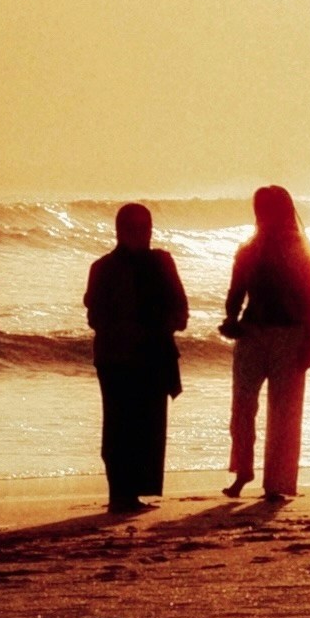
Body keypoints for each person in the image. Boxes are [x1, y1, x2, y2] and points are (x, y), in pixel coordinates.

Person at [219, 182, 310, 502]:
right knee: (243, 406)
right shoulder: (249, 250)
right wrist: (232, 319)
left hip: (290, 335)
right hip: (253, 332)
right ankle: (243, 470)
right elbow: (236, 292)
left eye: (265, 209)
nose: (261, 215)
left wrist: (309, 342)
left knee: (284, 411)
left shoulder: (303, 252)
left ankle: (277, 482)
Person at [84, 202, 188, 513]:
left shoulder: (109, 267)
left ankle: (126, 494)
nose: (143, 235)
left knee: (137, 424)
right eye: (137, 229)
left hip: (134, 355)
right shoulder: (145, 264)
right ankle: (122, 494)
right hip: (124, 356)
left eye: (145, 229)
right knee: (124, 424)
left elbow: (180, 311)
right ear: (120, 231)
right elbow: (179, 312)